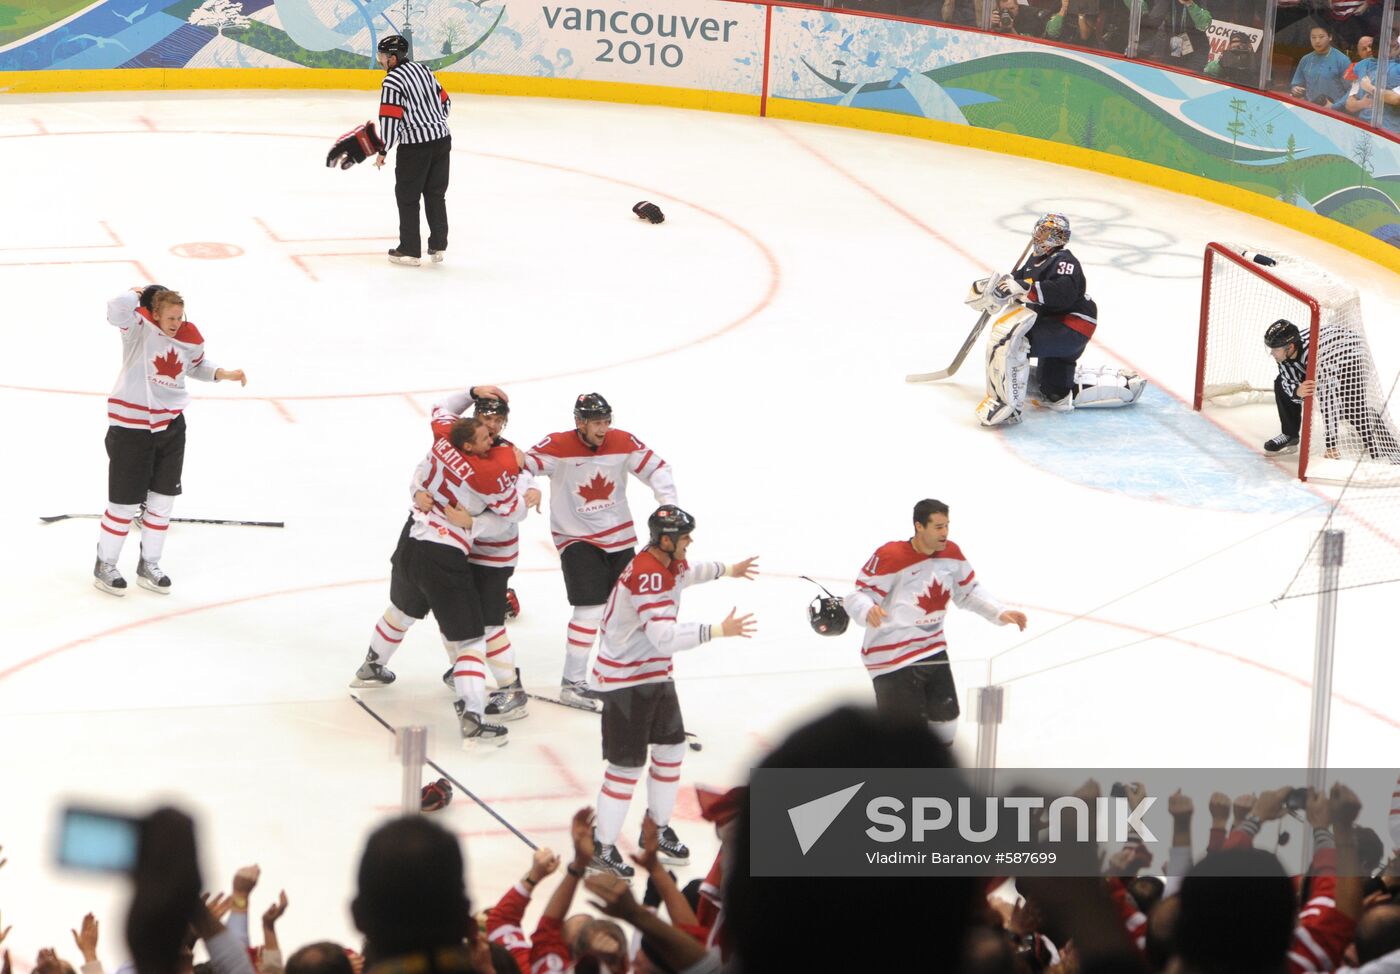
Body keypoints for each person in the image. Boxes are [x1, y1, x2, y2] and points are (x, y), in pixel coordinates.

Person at [587, 505, 757, 877]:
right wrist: (716, 631)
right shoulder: (649, 575)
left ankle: (656, 830)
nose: (689, 543)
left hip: (652, 676)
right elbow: (663, 637)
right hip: (625, 682)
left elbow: (690, 573)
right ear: (665, 540)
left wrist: (729, 569)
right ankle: (601, 847)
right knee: (625, 768)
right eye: (684, 537)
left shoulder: (667, 562)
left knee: (671, 750)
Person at [350, 416, 523, 747]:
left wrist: (417, 492)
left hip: (411, 542)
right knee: (471, 639)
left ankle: (372, 665)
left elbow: (419, 471)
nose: (492, 436)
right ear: (469, 445)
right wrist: (480, 516)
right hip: (443, 555)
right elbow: (514, 512)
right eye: (485, 435)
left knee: (401, 610)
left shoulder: (442, 445)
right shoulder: (486, 472)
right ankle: (473, 716)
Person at [521, 393, 677, 710]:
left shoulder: (622, 441)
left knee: (621, 612)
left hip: (619, 536)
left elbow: (658, 468)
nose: (603, 428)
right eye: (596, 422)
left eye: (606, 421)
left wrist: (669, 504)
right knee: (589, 610)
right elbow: (522, 466)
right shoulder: (558, 445)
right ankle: (573, 683)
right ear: (579, 422)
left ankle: (612, 675)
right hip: (577, 538)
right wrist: (530, 488)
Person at [96, 286, 247, 596]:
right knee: (123, 505)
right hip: (130, 428)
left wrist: (223, 373)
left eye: (179, 317)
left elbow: (196, 366)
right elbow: (115, 309)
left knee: (162, 502)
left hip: (171, 427)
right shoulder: (138, 330)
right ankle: (105, 564)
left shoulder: (188, 337)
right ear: (154, 313)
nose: (176, 322)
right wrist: (136, 293)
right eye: (170, 317)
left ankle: (149, 564)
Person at [842, 499, 1026, 742]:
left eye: (947, 525)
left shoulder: (952, 554)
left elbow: (967, 592)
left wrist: (999, 612)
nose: (945, 533)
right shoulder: (891, 556)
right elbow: (858, 595)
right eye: (938, 527)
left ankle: (937, 776)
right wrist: (867, 610)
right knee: (905, 736)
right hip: (891, 658)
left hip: (932, 649)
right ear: (919, 526)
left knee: (946, 722)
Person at [429, 384, 539, 721]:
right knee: (456, 618)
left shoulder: (507, 457)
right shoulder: (458, 437)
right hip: (459, 546)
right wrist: (472, 389)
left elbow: (514, 512)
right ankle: (466, 668)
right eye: (484, 416)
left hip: (494, 552)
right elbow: (440, 407)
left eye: (497, 419)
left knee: (489, 624)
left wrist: (472, 524)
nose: (491, 425)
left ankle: (511, 690)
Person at [975, 213, 1143, 427]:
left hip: (1072, 325)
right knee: (1054, 393)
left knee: (1015, 341)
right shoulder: (1035, 260)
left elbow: (1063, 292)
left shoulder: (1064, 261)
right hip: (1055, 323)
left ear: (1057, 237)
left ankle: (1008, 407)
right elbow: (1015, 284)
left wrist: (1025, 289)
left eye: (1045, 231)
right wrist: (995, 292)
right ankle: (1118, 385)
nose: (1038, 235)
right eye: (1039, 230)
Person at [1261, 318, 1400, 461]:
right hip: (1323, 355)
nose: (1272, 353)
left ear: (1290, 347)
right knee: (1280, 384)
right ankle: (1290, 435)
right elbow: (1288, 381)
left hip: (1351, 356)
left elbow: (1328, 398)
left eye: (1276, 349)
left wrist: (1331, 446)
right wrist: (1297, 391)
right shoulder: (1285, 354)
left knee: (1352, 408)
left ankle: (1388, 450)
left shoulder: (1316, 358)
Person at [373, 34, 452, 267]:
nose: (380, 61)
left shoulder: (391, 81)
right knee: (435, 194)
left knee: (407, 197)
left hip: (415, 147)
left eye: (383, 57)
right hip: (442, 139)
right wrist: (434, 123)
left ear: (393, 59)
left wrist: (383, 149)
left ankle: (409, 250)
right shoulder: (424, 70)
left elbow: (390, 119)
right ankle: (438, 245)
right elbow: (446, 102)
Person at [1291, 25, 1352, 106]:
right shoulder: (1305, 59)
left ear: (1330, 37)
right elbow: (1296, 83)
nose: (1317, 41)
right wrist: (1295, 89)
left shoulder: (1342, 60)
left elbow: (1351, 91)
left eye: (1321, 37)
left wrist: (1335, 107)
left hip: (1335, 111)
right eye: (1313, 37)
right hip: (1309, 107)